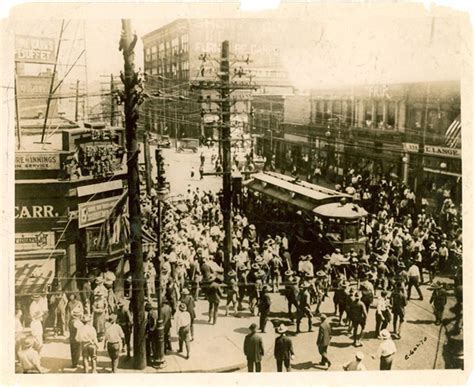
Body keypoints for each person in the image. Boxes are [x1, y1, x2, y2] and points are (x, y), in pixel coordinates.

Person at [68, 304, 84, 369]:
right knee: (77, 351)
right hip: (76, 338)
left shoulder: (71, 321)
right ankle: (75, 363)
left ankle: (74, 363)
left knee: (73, 351)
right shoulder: (77, 323)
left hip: (71, 337)